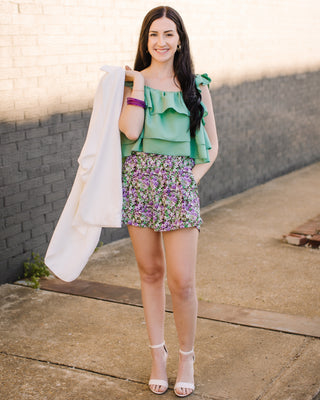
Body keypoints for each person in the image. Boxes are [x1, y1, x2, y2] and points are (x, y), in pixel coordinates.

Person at [118, 5, 218, 397]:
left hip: (178, 185)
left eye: (168, 34)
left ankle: (186, 357)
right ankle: (157, 356)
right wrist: (138, 86)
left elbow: (210, 149)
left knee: (183, 281)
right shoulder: (130, 82)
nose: (161, 42)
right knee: (150, 274)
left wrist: (185, 182)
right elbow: (129, 132)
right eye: (154, 35)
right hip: (139, 182)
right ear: (146, 41)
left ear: (180, 40)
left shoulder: (197, 85)